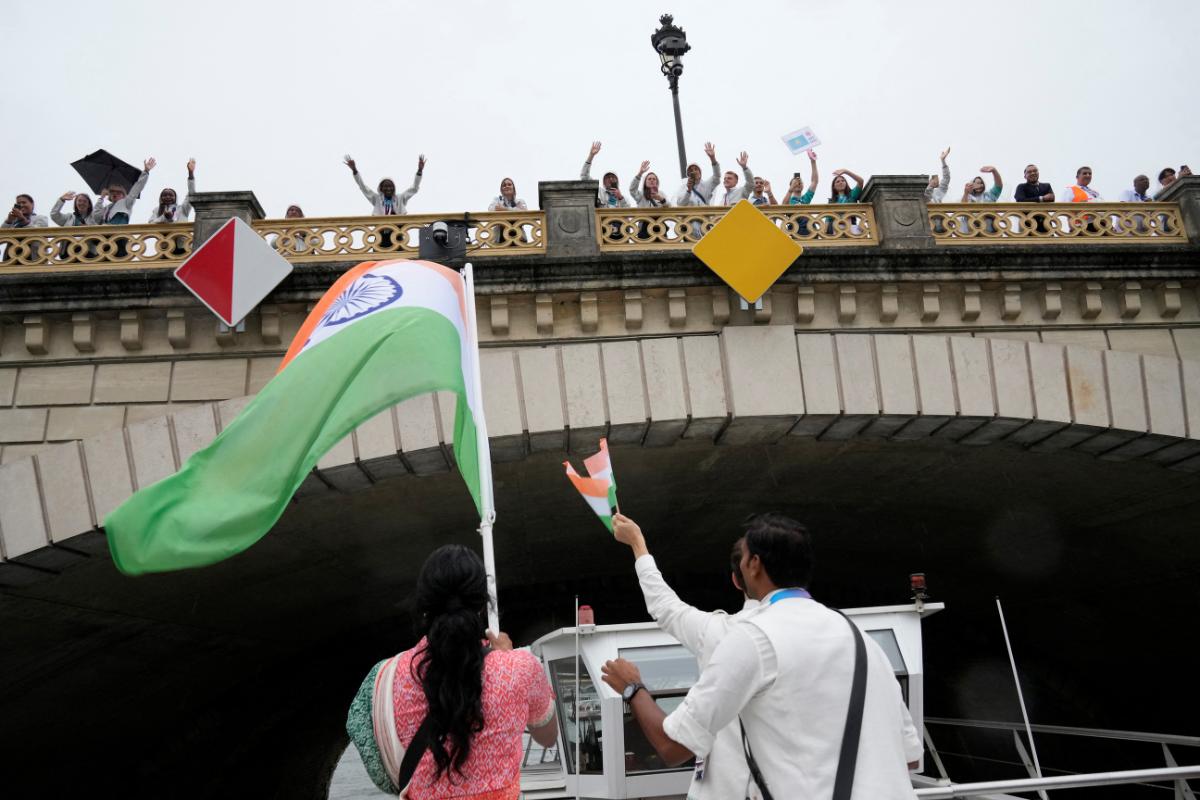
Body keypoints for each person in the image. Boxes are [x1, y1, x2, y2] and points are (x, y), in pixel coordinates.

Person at [600, 513, 922, 800]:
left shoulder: (751, 639)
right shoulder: (864, 642)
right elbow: (909, 756)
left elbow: (672, 747)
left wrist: (633, 687)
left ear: (753, 565)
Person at [346, 544, 557, 798]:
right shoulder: (519, 668)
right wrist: (507, 658)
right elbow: (547, 736)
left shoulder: (386, 678)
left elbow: (377, 765)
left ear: (424, 606)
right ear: (482, 605)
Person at [610, 512, 760, 800]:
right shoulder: (837, 633)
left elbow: (673, 749)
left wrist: (638, 545)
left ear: (737, 580)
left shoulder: (720, 633)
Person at [345, 154, 424, 216]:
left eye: (390, 186)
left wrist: (419, 170)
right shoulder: (377, 199)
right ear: (381, 188)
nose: (388, 188)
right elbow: (363, 187)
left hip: (397, 229)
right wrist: (354, 170)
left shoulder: (400, 198)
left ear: (394, 188)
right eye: (386, 186)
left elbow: (414, 188)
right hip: (381, 230)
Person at [95, 158, 155, 225]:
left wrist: (146, 171)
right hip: (104, 232)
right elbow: (96, 218)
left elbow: (137, 188)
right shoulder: (107, 208)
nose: (115, 194)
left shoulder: (126, 202)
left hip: (119, 232)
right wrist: (101, 198)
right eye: (112, 192)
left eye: (118, 192)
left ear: (123, 195)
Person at [581, 141, 630, 209]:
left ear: (617, 180)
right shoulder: (598, 191)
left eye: (613, 177)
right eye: (607, 177)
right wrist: (591, 155)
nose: (610, 179)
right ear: (603, 182)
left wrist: (620, 198)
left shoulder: (624, 198)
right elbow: (584, 176)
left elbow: (628, 213)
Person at [674, 142, 721, 206]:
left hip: (704, 215)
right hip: (689, 215)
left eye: (696, 169)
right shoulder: (683, 187)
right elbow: (680, 204)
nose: (694, 171)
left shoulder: (706, 185)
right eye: (691, 170)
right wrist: (688, 190)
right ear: (688, 175)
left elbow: (717, 177)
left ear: (700, 172)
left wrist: (712, 158)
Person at [1014, 164, 1054, 234]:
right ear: (1025, 176)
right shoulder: (1021, 187)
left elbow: (1051, 198)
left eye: (1035, 171)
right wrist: (1042, 198)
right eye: (1029, 172)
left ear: (1038, 173)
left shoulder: (1046, 186)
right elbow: (1020, 200)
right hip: (1028, 223)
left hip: (1046, 222)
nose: (1033, 173)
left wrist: (1033, 199)